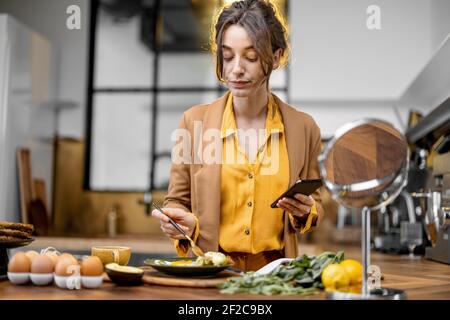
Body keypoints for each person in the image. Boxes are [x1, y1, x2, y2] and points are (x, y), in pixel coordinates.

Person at [152, 0, 323, 271]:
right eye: (228, 56)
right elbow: (177, 200)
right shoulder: (192, 123)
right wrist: (182, 221)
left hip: (275, 275)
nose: (236, 69)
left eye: (251, 57)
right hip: (214, 271)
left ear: (276, 57)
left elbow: (318, 202)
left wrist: (307, 211)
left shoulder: (304, 128)